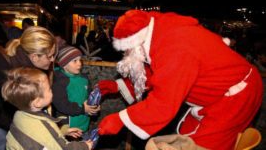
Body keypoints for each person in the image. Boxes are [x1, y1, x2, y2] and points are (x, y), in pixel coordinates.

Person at [96, 10, 263, 150]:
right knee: (184, 138)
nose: (127, 55)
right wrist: (119, 86)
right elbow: (152, 73)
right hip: (219, 93)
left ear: (137, 43)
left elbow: (163, 102)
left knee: (202, 146)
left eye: (128, 50)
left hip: (236, 96)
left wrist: (120, 119)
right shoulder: (159, 34)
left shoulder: (176, 49)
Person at [1, 67, 93, 150]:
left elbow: (40, 136)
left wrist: (62, 132)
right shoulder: (43, 125)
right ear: (38, 102)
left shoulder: (20, 115)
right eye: (49, 89)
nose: (52, 90)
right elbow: (63, 148)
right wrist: (85, 146)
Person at [52, 46, 100, 135]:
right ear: (64, 65)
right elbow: (61, 105)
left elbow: (89, 97)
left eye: (80, 60)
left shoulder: (84, 79)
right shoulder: (59, 81)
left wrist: (94, 107)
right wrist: (83, 108)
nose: (79, 64)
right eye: (75, 61)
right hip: (68, 128)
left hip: (84, 124)